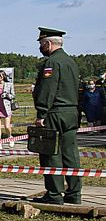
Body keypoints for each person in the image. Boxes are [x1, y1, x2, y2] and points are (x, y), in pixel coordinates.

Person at [31, 27, 81, 205]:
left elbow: (47, 90)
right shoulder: (70, 62)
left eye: (41, 44)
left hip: (54, 113)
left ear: (48, 43)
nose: (40, 47)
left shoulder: (51, 63)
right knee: (70, 153)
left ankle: (54, 194)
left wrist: (41, 113)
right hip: (71, 112)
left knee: (50, 153)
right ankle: (74, 193)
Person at [0, 69, 15, 147]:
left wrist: (6, 95)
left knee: (7, 126)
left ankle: (10, 137)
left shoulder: (9, 84)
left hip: (6, 108)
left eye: (0, 75)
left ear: (3, 76)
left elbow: (13, 96)